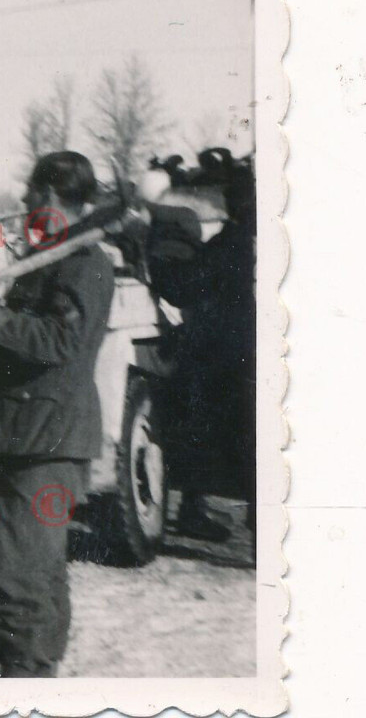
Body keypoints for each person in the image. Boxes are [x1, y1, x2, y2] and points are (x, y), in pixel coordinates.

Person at [0, 151, 115, 677]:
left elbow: (59, 341)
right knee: (36, 572)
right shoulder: (52, 257)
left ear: (49, 196)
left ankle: (26, 682)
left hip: (48, 442)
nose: (22, 203)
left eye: (30, 194)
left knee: (21, 575)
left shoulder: (83, 263)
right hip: (23, 437)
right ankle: (35, 674)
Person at [137, 164, 257, 541]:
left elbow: (185, 287)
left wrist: (162, 269)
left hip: (230, 356)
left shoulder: (230, 243)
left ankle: (208, 512)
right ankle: (201, 510)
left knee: (219, 429)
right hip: (254, 353)